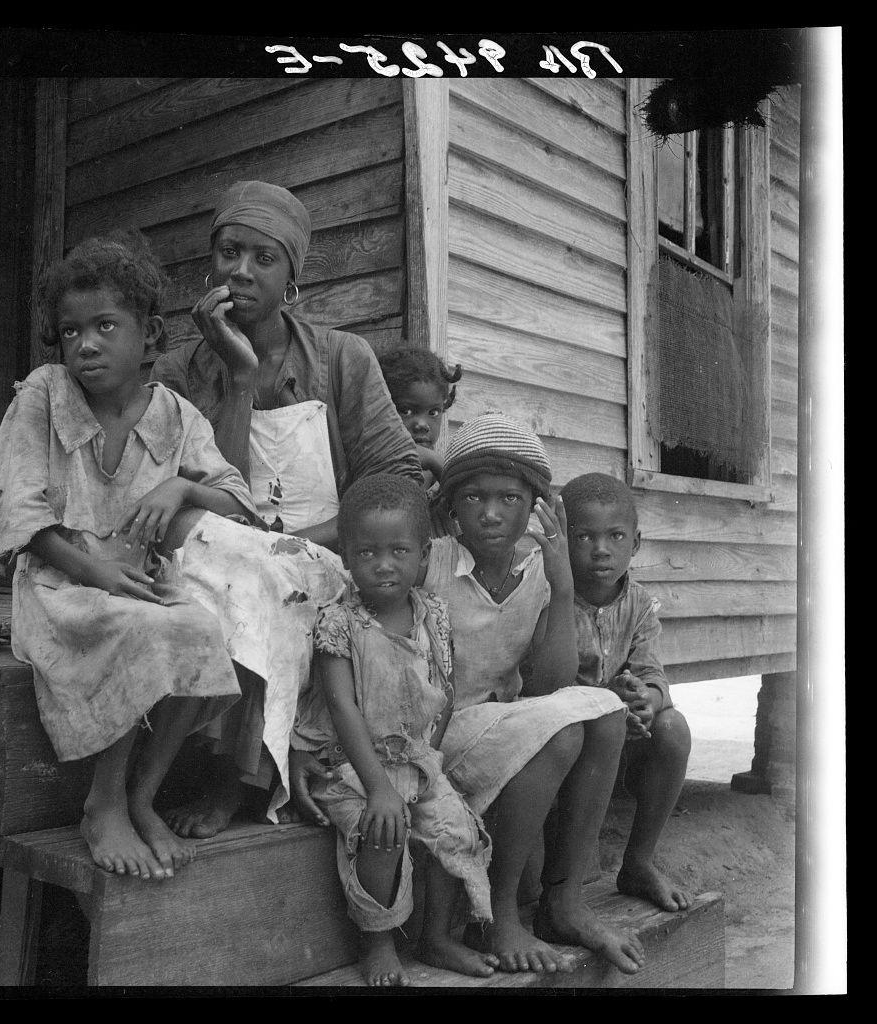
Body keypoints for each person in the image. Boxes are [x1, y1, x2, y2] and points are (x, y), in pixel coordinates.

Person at [293, 413, 647, 976]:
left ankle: (565, 897)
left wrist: (561, 588)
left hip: (497, 723)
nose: (490, 512)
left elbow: (553, 683)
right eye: (474, 497)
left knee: (604, 714)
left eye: (509, 497)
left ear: (535, 504)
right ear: (451, 506)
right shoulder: (423, 561)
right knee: (561, 734)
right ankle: (501, 913)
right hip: (434, 729)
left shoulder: (540, 571)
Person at [149, 180, 421, 839]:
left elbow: (400, 479)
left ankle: (232, 783)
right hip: (224, 550)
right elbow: (208, 501)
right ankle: (222, 773)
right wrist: (238, 376)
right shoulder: (181, 373)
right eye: (229, 252)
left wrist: (299, 541)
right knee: (238, 577)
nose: (240, 270)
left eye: (263, 258)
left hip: (329, 555)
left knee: (270, 580)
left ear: (292, 281)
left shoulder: (342, 359)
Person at [0, 229, 259, 881]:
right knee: (142, 624)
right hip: (61, 582)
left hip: (139, 582)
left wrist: (182, 485)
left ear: (149, 336)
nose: (84, 344)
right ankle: (103, 803)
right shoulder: (41, 397)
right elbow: (22, 512)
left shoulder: (174, 414)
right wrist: (96, 568)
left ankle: (143, 794)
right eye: (72, 330)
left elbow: (237, 500)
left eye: (105, 326)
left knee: (199, 625)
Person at [306, 474, 495, 986]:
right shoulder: (339, 622)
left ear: (424, 554)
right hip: (355, 768)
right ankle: (379, 940)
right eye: (367, 552)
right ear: (346, 556)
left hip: (416, 759)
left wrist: (427, 764)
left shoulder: (431, 614)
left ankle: (436, 937)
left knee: (456, 829)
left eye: (398, 550)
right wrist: (381, 788)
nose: (384, 564)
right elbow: (342, 708)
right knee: (383, 830)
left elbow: (445, 691)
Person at [559, 472, 693, 913]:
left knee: (673, 728)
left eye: (615, 536)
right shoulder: (549, 597)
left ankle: (638, 862)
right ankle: (565, 886)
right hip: (569, 741)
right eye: (583, 536)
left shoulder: (639, 604)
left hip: (624, 735)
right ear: (561, 538)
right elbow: (538, 684)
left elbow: (654, 676)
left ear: (635, 543)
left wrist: (644, 701)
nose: (601, 549)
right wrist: (604, 700)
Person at [377, 346, 462, 496]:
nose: (422, 425)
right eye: (406, 411)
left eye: (433, 412)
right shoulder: (375, 466)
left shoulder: (438, 475)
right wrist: (433, 460)